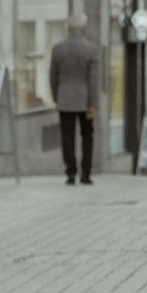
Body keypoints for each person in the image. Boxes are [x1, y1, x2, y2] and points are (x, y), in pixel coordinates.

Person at [49, 15, 100, 185]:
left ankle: (70, 173)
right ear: (84, 29)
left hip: (64, 98)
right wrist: (92, 103)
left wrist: (56, 96)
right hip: (85, 100)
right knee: (87, 135)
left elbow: (53, 77)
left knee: (67, 136)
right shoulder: (91, 50)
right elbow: (93, 81)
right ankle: (86, 173)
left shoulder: (58, 49)